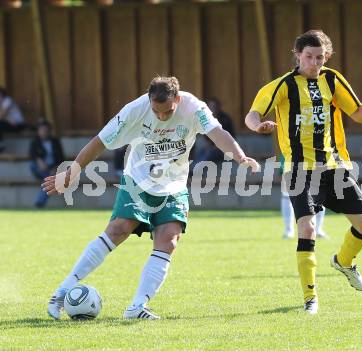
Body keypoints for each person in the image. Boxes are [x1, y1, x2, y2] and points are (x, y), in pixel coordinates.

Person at [43, 76, 259, 320]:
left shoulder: (194, 108)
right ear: (149, 100)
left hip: (174, 184)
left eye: (167, 111)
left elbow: (218, 134)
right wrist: (72, 172)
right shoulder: (134, 110)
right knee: (118, 230)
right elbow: (99, 142)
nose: (162, 117)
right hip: (138, 179)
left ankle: (136, 307)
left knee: (169, 240)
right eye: (157, 111)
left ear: (177, 99)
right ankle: (61, 293)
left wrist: (241, 158)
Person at [245, 30, 362, 314]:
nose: (314, 63)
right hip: (299, 170)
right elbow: (253, 113)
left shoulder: (333, 80)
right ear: (297, 55)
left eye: (320, 58)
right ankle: (310, 299)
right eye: (309, 57)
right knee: (307, 227)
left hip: (335, 167)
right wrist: (257, 126)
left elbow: (359, 115)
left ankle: (344, 262)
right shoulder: (283, 86)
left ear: (327, 57)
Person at [280, 154, 327, 239]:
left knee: (319, 192)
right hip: (291, 153)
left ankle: (318, 229)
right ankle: (288, 230)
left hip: (314, 154)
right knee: (286, 192)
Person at [29, 120, 64, 207]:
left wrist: (55, 168)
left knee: (47, 180)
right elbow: (32, 155)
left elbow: (60, 157)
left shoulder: (55, 142)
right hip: (39, 168)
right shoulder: (34, 142)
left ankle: (39, 203)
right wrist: (39, 161)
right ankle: (40, 202)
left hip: (52, 168)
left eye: (46, 130)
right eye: (42, 130)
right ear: (38, 131)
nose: (44, 132)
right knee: (33, 165)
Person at [193, 97, 235, 165]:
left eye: (214, 106)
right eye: (211, 106)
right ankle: (193, 168)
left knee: (209, 152)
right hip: (212, 147)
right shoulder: (207, 118)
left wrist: (216, 146)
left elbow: (230, 138)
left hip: (225, 150)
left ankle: (197, 169)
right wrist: (209, 144)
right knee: (202, 150)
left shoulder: (225, 119)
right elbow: (206, 135)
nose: (213, 108)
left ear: (219, 107)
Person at [0, 87, 26, 152]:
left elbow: (2, 115)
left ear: (3, 94)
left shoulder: (8, 100)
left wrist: (7, 120)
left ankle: (1, 146)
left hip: (19, 125)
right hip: (10, 124)